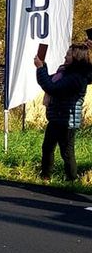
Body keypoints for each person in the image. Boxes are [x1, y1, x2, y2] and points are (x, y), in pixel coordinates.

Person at [35, 41, 92, 182]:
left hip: (68, 120)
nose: (65, 57)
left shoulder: (76, 77)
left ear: (76, 57)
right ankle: (45, 176)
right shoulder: (64, 72)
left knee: (66, 152)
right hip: (56, 118)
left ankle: (71, 180)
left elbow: (52, 88)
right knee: (47, 148)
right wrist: (43, 66)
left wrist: (40, 68)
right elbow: (49, 82)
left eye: (68, 54)